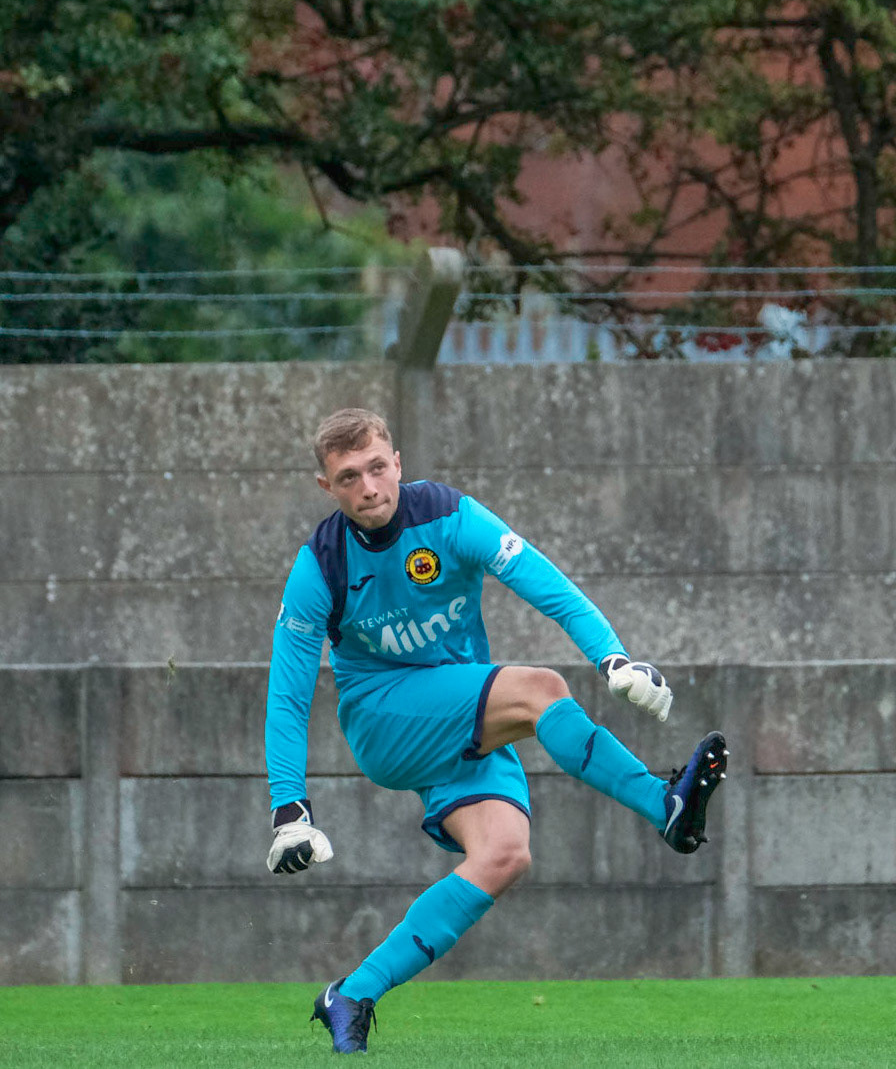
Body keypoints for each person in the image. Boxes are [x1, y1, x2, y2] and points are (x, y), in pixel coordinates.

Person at [265, 408, 728, 1054]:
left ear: (396, 461)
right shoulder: (319, 566)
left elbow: (547, 584)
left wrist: (613, 657)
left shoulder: (452, 517)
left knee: (504, 855)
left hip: (464, 717)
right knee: (540, 690)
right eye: (349, 478)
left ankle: (352, 993)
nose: (369, 488)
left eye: (377, 468)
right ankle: (664, 804)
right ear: (328, 487)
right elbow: (287, 693)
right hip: (384, 719)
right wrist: (290, 808)